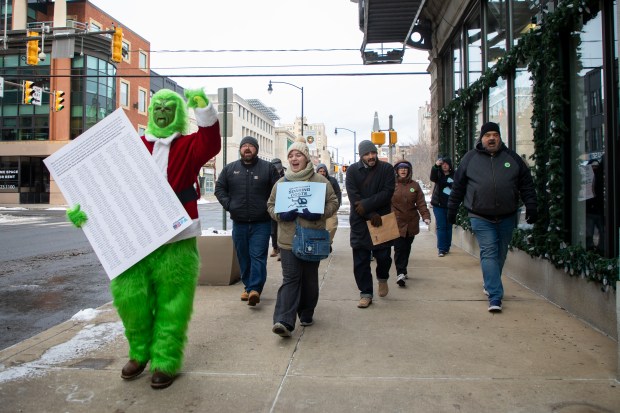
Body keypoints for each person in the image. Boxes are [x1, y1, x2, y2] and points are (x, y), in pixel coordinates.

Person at [67, 88, 221, 389]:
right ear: (151, 113)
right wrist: (81, 209)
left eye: (169, 107)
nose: (163, 111)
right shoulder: (132, 147)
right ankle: (139, 352)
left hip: (177, 238)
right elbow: (103, 182)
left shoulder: (189, 146)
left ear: (177, 113)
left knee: (172, 302)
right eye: (158, 107)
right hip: (134, 235)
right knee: (129, 297)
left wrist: (204, 110)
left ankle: (165, 359)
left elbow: (210, 142)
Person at [447, 122, 537, 313]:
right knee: (489, 252)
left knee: (500, 253)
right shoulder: (469, 159)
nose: (492, 138)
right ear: (481, 138)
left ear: (500, 137)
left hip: (507, 215)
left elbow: (526, 184)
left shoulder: (511, 158)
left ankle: (489, 283)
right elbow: (458, 187)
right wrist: (452, 210)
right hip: (480, 215)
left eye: (495, 134)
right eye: (488, 135)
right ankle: (495, 296)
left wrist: (531, 205)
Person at [267, 139, 339, 337]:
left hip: (312, 238)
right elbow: (270, 206)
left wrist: (320, 212)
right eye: (290, 155)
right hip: (288, 240)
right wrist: (281, 215)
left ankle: (306, 312)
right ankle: (283, 320)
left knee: (308, 279)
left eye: (298, 154)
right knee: (290, 279)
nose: (293, 158)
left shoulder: (320, 181)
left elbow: (334, 202)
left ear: (306, 157)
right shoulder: (281, 183)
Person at [215, 136, 280, 306]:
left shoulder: (268, 168)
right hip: (239, 223)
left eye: (251, 145)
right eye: (244, 146)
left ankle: (255, 289)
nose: (247, 148)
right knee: (243, 257)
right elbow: (219, 188)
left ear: (256, 149)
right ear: (240, 149)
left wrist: (270, 207)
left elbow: (278, 190)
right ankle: (248, 286)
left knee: (258, 256)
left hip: (262, 223)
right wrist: (229, 205)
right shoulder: (230, 169)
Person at [346, 140, 395, 308]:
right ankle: (366, 293)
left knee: (383, 256)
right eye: (367, 154)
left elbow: (387, 193)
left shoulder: (387, 169)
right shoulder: (352, 171)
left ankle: (383, 278)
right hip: (360, 220)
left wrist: (367, 206)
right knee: (360, 260)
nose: (371, 156)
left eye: (373, 153)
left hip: (382, 219)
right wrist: (369, 213)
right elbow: (354, 197)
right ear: (361, 156)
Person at [391, 160, 431, 287]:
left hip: (411, 221)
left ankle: (403, 269)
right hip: (396, 221)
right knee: (398, 247)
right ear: (396, 171)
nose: (403, 171)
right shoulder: (391, 185)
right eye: (400, 169)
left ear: (409, 171)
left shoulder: (415, 185)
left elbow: (420, 202)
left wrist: (425, 216)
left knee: (407, 247)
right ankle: (400, 273)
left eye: (405, 169)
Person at [430, 156, 455, 257]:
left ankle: (447, 247)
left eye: (446, 164)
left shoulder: (455, 175)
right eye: (443, 164)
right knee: (441, 226)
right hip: (438, 205)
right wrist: (436, 165)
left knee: (448, 227)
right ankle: (441, 249)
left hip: (450, 205)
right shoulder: (438, 175)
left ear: (450, 166)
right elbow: (432, 177)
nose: (444, 165)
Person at [315, 163, 342, 248]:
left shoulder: (332, 180)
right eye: (320, 171)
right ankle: (322, 244)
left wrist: (336, 205)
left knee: (332, 227)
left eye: (324, 171)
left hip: (330, 208)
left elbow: (338, 193)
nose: (322, 173)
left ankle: (328, 242)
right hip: (318, 209)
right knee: (319, 229)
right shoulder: (314, 181)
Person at [270, 158, 286, 260]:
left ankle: (281, 250)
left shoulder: (286, 176)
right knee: (273, 230)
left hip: (284, 204)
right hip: (273, 203)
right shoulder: (269, 174)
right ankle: (275, 247)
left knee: (282, 228)